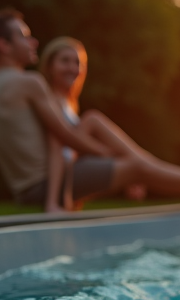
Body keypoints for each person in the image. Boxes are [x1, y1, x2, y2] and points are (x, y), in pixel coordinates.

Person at [0, 9, 180, 211]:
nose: (33, 42)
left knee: (98, 126)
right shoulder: (29, 82)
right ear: (3, 45)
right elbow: (62, 137)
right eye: (23, 36)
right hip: (43, 185)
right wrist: (111, 156)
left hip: (26, 189)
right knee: (134, 165)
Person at [37, 37, 146, 209]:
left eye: (78, 63)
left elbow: (74, 150)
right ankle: (146, 167)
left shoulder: (70, 104)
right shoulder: (49, 101)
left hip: (75, 170)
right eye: (65, 61)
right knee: (92, 119)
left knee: (92, 120)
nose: (73, 68)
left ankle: (143, 166)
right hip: (62, 176)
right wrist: (54, 200)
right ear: (50, 66)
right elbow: (57, 146)